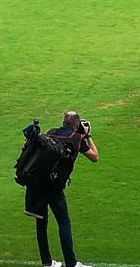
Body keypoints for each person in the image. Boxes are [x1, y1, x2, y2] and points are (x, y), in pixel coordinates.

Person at [24, 112, 98, 267]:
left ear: (64, 122)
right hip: (54, 187)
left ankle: (47, 262)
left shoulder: (51, 133)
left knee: (41, 223)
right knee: (63, 222)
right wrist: (87, 136)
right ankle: (71, 263)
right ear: (77, 125)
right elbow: (94, 157)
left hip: (38, 184)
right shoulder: (77, 139)